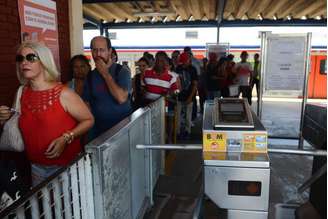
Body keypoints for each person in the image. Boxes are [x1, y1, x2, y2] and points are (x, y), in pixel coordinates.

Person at [0, 42, 94, 186]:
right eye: (20, 58)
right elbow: (17, 123)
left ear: (44, 61)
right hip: (36, 167)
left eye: (31, 57)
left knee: (70, 207)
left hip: (66, 166)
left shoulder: (63, 93)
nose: (24, 62)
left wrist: (66, 137)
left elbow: (88, 120)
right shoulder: (22, 92)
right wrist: (5, 118)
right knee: (45, 207)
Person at [82, 36, 132, 138]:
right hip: (98, 132)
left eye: (102, 50)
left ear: (109, 51)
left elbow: (121, 98)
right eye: (95, 50)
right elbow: (87, 104)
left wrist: (105, 74)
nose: (98, 54)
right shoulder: (90, 76)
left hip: (122, 130)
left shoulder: (122, 71)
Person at [175, 52, 198, 139]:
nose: (183, 63)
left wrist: (190, 97)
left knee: (188, 116)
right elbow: (175, 83)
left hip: (189, 96)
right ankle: (177, 132)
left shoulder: (193, 69)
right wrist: (176, 95)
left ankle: (187, 132)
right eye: (182, 62)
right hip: (179, 96)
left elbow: (195, 84)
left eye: (185, 61)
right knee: (178, 116)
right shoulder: (178, 68)